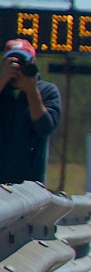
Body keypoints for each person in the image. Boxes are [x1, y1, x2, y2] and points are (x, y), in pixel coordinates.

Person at [0, 39, 62, 185]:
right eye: (13, 62)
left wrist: (31, 90)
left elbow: (45, 127)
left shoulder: (47, 91)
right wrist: (3, 79)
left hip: (30, 183)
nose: (18, 67)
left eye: (23, 62)